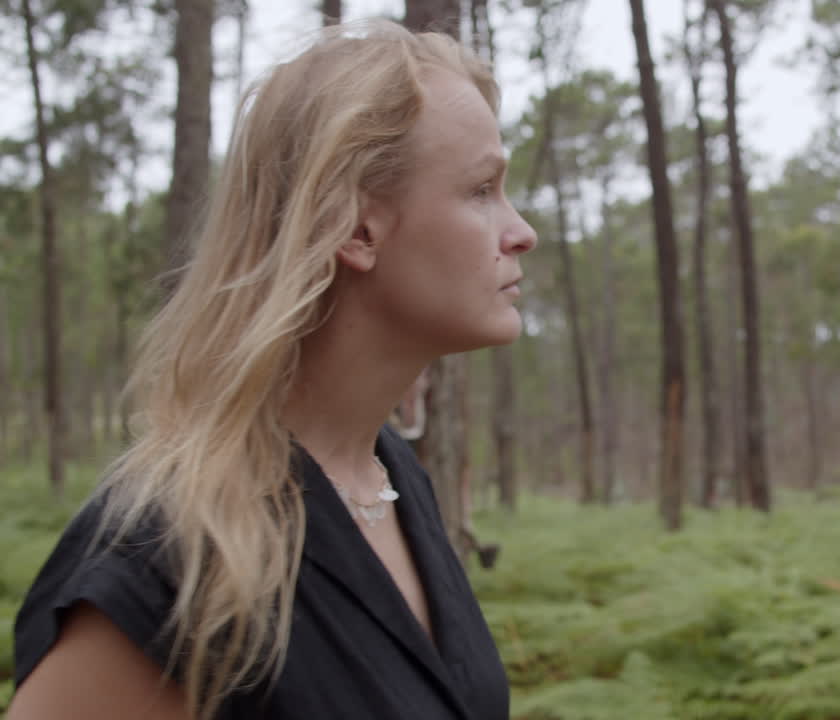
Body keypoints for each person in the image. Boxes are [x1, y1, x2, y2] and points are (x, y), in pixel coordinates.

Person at [8, 18, 536, 720]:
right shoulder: (171, 556)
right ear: (354, 227)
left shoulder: (391, 480)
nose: (520, 230)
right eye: (481, 189)